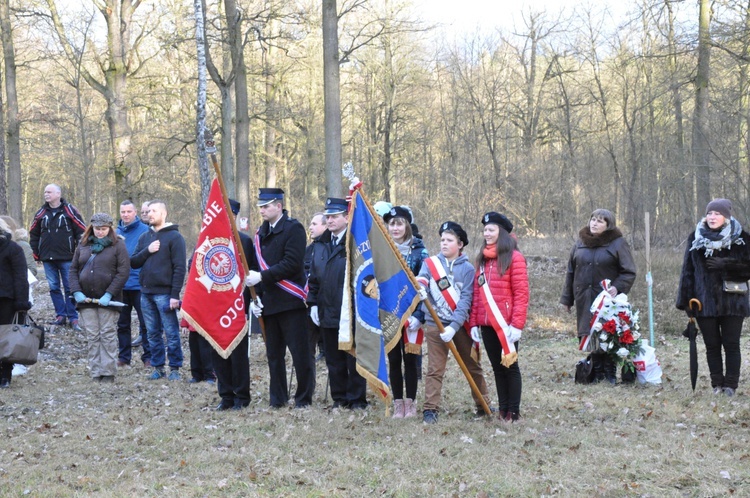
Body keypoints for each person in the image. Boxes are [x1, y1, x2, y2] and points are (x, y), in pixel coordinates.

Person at [415, 221, 490, 424]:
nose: (444, 244)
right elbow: (422, 278)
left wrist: (453, 326)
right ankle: (430, 409)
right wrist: (421, 287)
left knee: (473, 366)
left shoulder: (467, 269)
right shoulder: (430, 264)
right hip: (434, 324)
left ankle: (483, 404)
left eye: (449, 240)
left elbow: (466, 299)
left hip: (459, 326)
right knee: (435, 369)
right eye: (442, 240)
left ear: (460, 244)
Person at [247, 188, 314, 408]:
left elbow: (292, 263)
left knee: (300, 354)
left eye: (266, 206)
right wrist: (256, 298)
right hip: (269, 302)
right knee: (274, 355)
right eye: (260, 207)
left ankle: (303, 398)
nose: (262, 211)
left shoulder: (293, 228)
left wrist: (262, 277)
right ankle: (278, 398)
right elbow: (256, 265)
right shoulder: (260, 233)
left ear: (278, 205)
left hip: (291, 301)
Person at [677, 199, 750, 397]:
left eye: (717, 214)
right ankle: (717, 384)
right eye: (709, 213)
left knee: (731, 344)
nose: (712, 217)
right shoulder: (695, 237)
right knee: (712, 345)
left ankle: (731, 386)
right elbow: (687, 272)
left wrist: (726, 265)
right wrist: (685, 302)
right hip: (703, 302)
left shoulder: (741, 238)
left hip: (733, 302)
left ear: (726, 216)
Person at [560, 209, 636, 384]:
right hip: (584, 296)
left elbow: (629, 271)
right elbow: (571, 272)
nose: (594, 223)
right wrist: (567, 299)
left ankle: (609, 373)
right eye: (593, 219)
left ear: (608, 226)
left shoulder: (617, 243)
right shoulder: (580, 243)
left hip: (607, 300)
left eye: (600, 221)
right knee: (590, 332)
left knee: (607, 333)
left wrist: (617, 287)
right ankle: (596, 371)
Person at [468, 212, 529, 422]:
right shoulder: (482, 259)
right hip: (486, 324)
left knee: (510, 367)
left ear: (501, 232)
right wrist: (474, 322)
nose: (486, 233)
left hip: (506, 325)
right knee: (496, 368)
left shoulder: (515, 258)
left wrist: (517, 324)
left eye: (491, 229)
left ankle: (513, 411)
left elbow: (521, 294)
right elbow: (477, 294)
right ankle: (503, 410)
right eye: (485, 230)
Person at [308, 198, 368, 409]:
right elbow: (314, 278)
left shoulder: (355, 243)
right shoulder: (320, 244)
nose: (330, 220)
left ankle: (357, 399)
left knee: (352, 356)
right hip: (326, 309)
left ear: (346, 217)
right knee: (333, 359)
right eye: (328, 216)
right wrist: (313, 303)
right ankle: (339, 398)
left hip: (349, 311)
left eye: (334, 216)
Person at [69, 213, 131, 382]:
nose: (100, 232)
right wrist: (76, 291)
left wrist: (109, 293)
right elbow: (73, 270)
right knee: (93, 336)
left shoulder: (118, 245)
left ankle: (108, 373)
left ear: (109, 228)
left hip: (109, 300)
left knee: (107, 335)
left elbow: (123, 272)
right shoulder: (82, 244)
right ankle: (96, 372)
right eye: (97, 229)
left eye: (104, 229)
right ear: (92, 228)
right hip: (85, 300)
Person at [130, 200, 186, 381]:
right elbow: (134, 261)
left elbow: (179, 268)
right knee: (152, 332)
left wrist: (174, 295)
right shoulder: (144, 238)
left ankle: (175, 368)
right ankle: (158, 367)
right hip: (145, 292)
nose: (149, 214)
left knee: (171, 332)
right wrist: (148, 250)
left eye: (154, 211)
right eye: (148, 211)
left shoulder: (175, 238)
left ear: (164, 213)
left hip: (165, 294)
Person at [383, 206, 428, 418]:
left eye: (399, 223)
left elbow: (426, 287)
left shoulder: (419, 251)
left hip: (412, 314)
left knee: (410, 360)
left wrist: (419, 315)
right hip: (390, 314)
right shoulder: (382, 250)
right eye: (391, 224)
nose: (395, 227)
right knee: (393, 360)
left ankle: (410, 403)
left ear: (407, 225)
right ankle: (397, 403)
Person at [212, 198, 255, 411]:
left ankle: (241, 395)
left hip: (237, 304)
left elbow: (252, 271)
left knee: (237, 354)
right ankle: (226, 395)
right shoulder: (209, 239)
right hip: (214, 303)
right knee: (218, 352)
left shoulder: (244, 242)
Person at [29, 184, 86, 331]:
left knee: (70, 287)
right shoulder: (41, 213)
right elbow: (34, 233)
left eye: (49, 192)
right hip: (47, 258)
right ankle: (60, 315)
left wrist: (80, 251)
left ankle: (73, 317)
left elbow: (82, 230)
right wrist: (35, 252)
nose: (46, 194)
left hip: (68, 257)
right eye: (45, 192)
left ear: (58, 194)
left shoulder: (69, 210)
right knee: (54, 287)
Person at [115, 200, 151, 367]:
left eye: (129, 211)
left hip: (140, 284)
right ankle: (124, 357)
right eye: (123, 212)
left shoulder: (146, 231)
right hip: (121, 285)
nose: (126, 215)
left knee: (146, 323)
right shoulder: (114, 233)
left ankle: (148, 356)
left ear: (135, 213)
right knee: (122, 324)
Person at [0, 218, 31, 388]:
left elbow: (21, 277)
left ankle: (5, 374)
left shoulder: (13, 249)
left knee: (7, 338)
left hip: (7, 300)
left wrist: (21, 303)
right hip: (7, 298)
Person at [305, 212, 327, 362]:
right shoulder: (309, 249)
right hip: (309, 298)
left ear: (325, 226)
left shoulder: (329, 247)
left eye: (314, 224)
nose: (310, 227)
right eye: (310, 224)